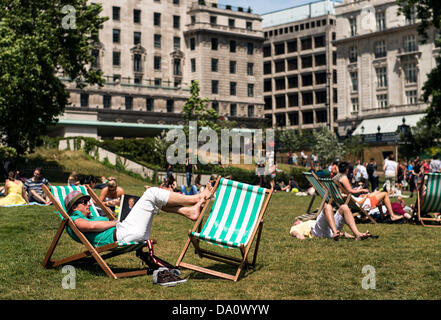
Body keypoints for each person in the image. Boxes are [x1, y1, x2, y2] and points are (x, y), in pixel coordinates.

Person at [63, 184, 213, 286]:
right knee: (152, 193)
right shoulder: (75, 220)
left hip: (127, 234)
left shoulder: (85, 216)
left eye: (88, 201)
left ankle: (189, 211)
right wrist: (116, 221)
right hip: (124, 234)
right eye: (84, 202)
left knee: (155, 199)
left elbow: (95, 223)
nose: (89, 204)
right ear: (75, 207)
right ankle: (196, 198)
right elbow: (92, 226)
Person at [334, 162, 403, 222]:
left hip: (355, 200)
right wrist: (363, 191)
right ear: (346, 169)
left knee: (375, 193)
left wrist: (362, 196)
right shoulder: (344, 178)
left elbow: (350, 193)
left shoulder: (336, 178)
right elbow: (350, 191)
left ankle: (382, 215)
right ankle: (392, 216)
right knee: (384, 194)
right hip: (362, 203)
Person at [290, 203, 372, 241]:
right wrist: (299, 236)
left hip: (330, 230)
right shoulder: (296, 226)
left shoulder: (309, 221)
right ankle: (335, 232)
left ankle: (357, 234)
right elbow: (294, 232)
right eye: (296, 222)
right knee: (327, 206)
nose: (297, 221)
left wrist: (344, 234)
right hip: (318, 232)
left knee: (344, 207)